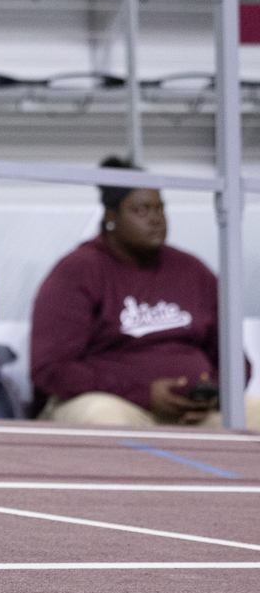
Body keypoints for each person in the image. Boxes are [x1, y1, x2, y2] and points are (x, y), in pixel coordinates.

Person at [31, 158, 255, 428]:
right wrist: (142, 394)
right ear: (111, 217)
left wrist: (211, 394)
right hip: (115, 403)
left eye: (160, 208)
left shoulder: (192, 271)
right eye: (142, 210)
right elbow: (51, 369)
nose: (156, 220)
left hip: (194, 410)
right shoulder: (78, 271)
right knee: (102, 416)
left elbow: (234, 359)